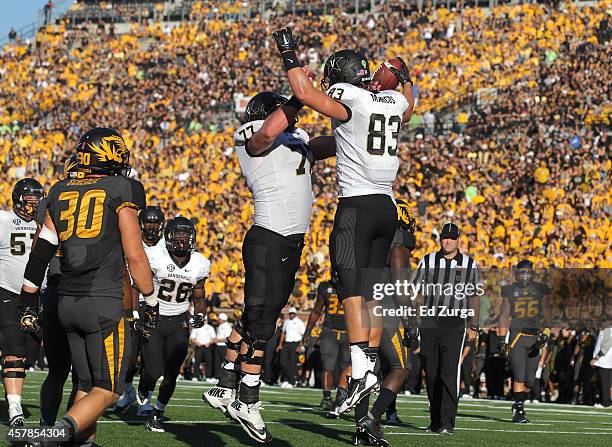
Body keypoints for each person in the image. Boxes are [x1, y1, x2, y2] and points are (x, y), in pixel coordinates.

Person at [272, 27, 414, 413]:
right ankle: (368, 368)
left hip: (357, 207)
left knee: (350, 289)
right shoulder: (393, 101)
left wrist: (288, 53)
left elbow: (303, 93)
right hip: (388, 207)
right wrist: (404, 77)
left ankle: (361, 373)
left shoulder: (349, 95)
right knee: (371, 293)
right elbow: (407, 105)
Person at [203, 91, 334, 444]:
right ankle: (248, 397)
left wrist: (356, 126)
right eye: (282, 112)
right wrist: (299, 98)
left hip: (289, 242)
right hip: (268, 236)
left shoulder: (295, 139)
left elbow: (328, 145)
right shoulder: (251, 133)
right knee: (261, 320)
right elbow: (266, 135)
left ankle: (225, 383)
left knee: (262, 316)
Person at [18, 127, 157, 446]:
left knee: (85, 383)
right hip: (103, 302)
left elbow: (40, 254)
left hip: (66, 302)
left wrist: (27, 302)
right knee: (109, 388)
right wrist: (151, 299)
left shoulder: (60, 189)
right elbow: (135, 257)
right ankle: (51, 435)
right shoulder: (123, 187)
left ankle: (82, 442)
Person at [353, 199, 419, 446]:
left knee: (370, 373)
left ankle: (361, 434)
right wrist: (410, 319)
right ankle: (372, 419)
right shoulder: (398, 244)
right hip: (387, 311)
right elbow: (400, 287)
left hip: (364, 310)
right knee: (402, 367)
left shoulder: (373, 240)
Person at [137, 216, 210, 432]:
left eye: (185, 236)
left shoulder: (200, 263)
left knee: (171, 373)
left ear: (192, 238)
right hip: (155, 317)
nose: (181, 240)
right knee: (152, 370)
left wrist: (200, 315)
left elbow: (199, 297)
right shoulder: (155, 256)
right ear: (168, 238)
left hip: (179, 319)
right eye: (177, 236)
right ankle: (144, 385)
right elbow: (137, 284)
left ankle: (157, 412)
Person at [413, 222, 480, 435]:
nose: (448, 241)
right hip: (430, 321)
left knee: (449, 372)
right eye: (444, 237)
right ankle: (434, 420)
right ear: (440, 239)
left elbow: (475, 296)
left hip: (455, 323)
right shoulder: (428, 260)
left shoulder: (469, 264)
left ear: (458, 239)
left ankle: (447, 421)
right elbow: (416, 292)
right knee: (431, 372)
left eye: (451, 237)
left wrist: (474, 325)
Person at [38, 155, 80, 427]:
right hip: (83, 291)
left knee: (57, 371)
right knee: (83, 376)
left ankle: (47, 429)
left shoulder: (49, 201)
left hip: (53, 288)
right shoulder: (100, 200)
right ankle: (68, 432)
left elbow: (37, 249)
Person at [0, 178, 45, 426]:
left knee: (30, 352)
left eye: (38, 200)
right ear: (18, 199)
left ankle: (7, 372)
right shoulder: (4, 220)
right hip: (8, 292)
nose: (35, 205)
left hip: (38, 297)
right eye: (31, 201)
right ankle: (15, 408)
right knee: (14, 350)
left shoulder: (46, 223)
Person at [113, 205, 165, 413]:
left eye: (155, 223)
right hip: (129, 304)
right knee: (127, 356)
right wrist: (132, 311)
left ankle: (145, 399)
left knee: (152, 363)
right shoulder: (129, 241)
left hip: (155, 306)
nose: (151, 227)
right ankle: (128, 392)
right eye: (148, 222)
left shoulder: (166, 249)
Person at [499, 260, 551, 423]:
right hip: (518, 337)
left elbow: (547, 314)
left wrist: (546, 333)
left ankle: (518, 402)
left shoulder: (540, 290)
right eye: (521, 272)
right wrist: (502, 339)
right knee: (519, 376)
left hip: (535, 338)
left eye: (526, 272)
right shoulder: (510, 290)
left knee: (530, 380)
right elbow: (504, 314)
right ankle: (519, 410)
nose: (524, 275)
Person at [303, 280, 350, 412]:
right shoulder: (325, 287)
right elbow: (316, 311)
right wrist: (308, 331)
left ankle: (342, 398)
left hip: (349, 332)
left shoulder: (352, 283)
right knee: (328, 365)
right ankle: (327, 398)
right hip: (329, 331)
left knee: (346, 367)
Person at [277, 307, 306, 388]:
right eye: (290, 313)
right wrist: (280, 344)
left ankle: (292, 381)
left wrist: (300, 346)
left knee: (292, 363)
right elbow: (283, 333)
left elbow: (303, 334)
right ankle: (287, 379)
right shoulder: (286, 322)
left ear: (295, 314)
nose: (292, 315)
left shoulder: (299, 322)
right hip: (287, 343)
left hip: (295, 343)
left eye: (293, 313)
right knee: (283, 362)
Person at [190, 316, 217, 382]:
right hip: (199, 347)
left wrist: (209, 343)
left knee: (208, 362)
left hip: (207, 347)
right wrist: (196, 342)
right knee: (197, 362)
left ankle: (208, 377)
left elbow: (214, 338)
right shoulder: (196, 327)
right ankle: (195, 376)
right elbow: (192, 338)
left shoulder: (210, 328)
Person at [591, 326, 612, 408]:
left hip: (604, 361)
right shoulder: (603, 330)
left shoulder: (608, 330)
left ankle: (606, 402)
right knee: (601, 382)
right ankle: (602, 400)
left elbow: (606, 345)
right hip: (602, 361)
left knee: (604, 383)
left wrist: (596, 358)